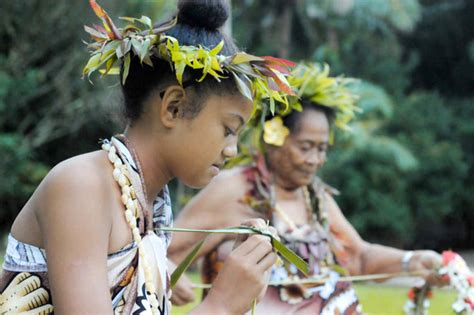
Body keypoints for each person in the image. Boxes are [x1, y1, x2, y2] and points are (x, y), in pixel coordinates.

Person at [0, 0, 295, 313]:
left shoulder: (150, 210)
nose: (232, 150)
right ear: (173, 108)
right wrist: (221, 304)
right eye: (228, 129)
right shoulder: (81, 187)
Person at [168, 63, 445, 314]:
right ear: (273, 139)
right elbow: (167, 255)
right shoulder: (234, 189)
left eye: (321, 149)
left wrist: (411, 260)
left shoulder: (315, 197)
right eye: (305, 147)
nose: (314, 160)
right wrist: (170, 274)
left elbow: (358, 257)